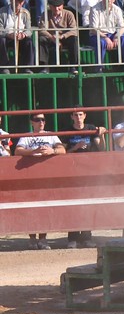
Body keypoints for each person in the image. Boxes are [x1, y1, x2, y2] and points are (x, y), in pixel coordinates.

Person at [14, 113, 66, 250]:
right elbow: (17, 151)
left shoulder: (51, 135)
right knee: (30, 206)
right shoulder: (27, 136)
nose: (41, 122)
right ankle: (32, 239)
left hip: (47, 175)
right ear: (32, 122)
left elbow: (62, 149)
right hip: (29, 175)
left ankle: (42, 239)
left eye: (43, 119)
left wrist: (52, 150)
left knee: (45, 206)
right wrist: (33, 151)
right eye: (37, 120)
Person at [60, 107, 105, 248]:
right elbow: (63, 152)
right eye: (75, 115)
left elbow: (102, 148)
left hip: (88, 170)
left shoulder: (91, 128)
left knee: (88, 203)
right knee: (72, 203)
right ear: (72, 117)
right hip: (72, 170)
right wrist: (75, 148)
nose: (78, 117)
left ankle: (86, 236)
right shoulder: (67, 131)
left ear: (84, 116)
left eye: (80, 114)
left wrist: (102, 135)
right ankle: (73, 237)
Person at [89, 0, 124, 73]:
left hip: (112, 34)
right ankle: (99, 68)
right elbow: (93, 29)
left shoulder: (117, 9)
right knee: (101, 43)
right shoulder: (94, 9)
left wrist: (116, 36)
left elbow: (122, 27)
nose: (109, 0)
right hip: (98, 35)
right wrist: (105, 37)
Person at [38, 0, 79, 75]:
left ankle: (73, 66)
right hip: (51, 37)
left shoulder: (69, 14)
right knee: (42, 39)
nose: (56, 9)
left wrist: (62, 36)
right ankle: (44, 67)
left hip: (64, 37)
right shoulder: (45, 14)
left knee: (74, 39)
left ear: (62, 6)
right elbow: (42, 29)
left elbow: (74, 30)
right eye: (54, 7)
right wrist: (52, 37)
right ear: (50, 6)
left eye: (58, 7)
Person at [0, 0, 34, 74]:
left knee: (28, 41)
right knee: (1, 40)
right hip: (7, 36)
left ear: (22, 2)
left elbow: (29, 30)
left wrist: (23, 34)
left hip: (20, 37)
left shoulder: (26, 13)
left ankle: (27, 67)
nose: (18, 3)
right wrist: (8, 34)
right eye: (16, 0)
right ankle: (4, 67)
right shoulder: (2, 12)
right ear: (11, 0)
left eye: (20, 1)